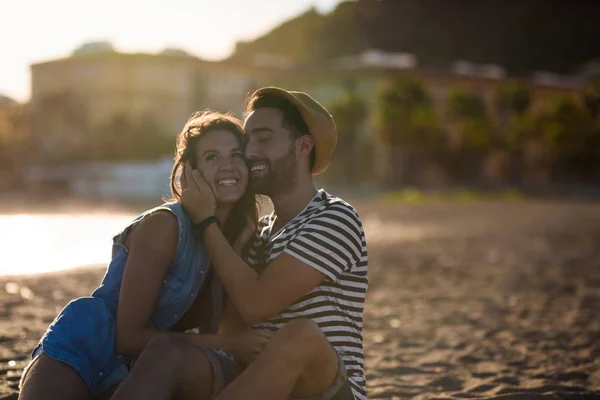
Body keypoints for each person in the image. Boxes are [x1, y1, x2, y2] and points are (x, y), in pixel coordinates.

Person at [113, 87, 368, 400]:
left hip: (327, 390)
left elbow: (257, 303)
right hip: (262, 384)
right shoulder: (258, 232)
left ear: (303, 145)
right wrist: (237, 245)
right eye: (248, 141)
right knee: (168, 352)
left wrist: (207, 223)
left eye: (264, 139)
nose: (249, 153)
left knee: (301, 336)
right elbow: (232, 333)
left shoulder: (334, 217)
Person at [18, 111, 270, 400]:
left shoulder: (239, 234)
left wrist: (236, 247)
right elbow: (129, 337)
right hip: (85, 353)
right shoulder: (164, 225)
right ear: (191, 171)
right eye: (213, 157)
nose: (228, 166)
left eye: (236, 155)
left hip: (146, 369)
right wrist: (228, 343)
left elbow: (226, 323)